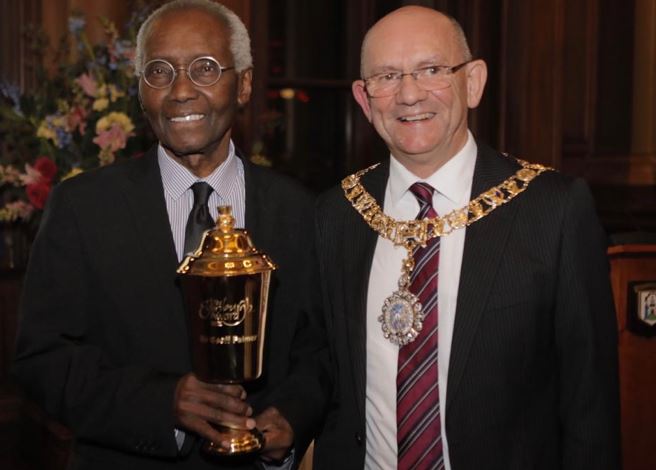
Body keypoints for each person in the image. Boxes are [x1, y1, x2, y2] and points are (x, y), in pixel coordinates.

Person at [13, 1, 329, 469]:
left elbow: (319, 352)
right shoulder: (82, 208)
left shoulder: (300, 212)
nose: (181, 91)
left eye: (205, 68)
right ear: (141, 91)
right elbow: (42, 360)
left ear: (243, 84)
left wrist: (290, 418)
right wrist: (162, 403)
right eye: (159, 71)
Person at [312, 6, 619, 470]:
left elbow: (590, 408)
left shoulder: (552, 210)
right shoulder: (337, 213)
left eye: (432, 70)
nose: (409, 94)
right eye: (387, 76)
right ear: (364, 98)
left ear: (473, 83)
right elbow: (317, 365)